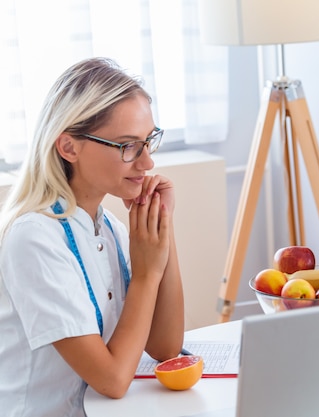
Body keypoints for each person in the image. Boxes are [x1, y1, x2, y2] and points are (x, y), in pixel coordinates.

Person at [0, 57, 185, 416]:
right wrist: (146, 274)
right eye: (128, 145)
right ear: (69, 148)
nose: (147, 163)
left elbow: (165, 347)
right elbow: (113, 380)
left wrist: (162, 225)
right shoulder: (34, 239)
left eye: (149, 141)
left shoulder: (107, 226)